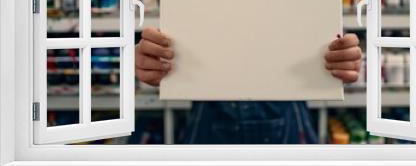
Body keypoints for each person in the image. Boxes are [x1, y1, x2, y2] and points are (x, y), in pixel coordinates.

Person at [135, 27, 362, 144]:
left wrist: (341, 56)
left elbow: (333, 51)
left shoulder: (297, 11)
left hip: (290, 119)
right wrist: (151, 59)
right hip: (208, 118)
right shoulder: (198, 8)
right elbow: (171, 51)